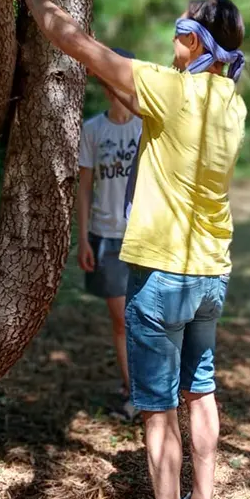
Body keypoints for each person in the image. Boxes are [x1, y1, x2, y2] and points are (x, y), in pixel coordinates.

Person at [16, 0, 246, 499]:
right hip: (210, 276)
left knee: (156, 404)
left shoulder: (170, 90)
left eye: (179, 28)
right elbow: (127, 90)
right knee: (200, 391)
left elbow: (76, 42)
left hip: (163, 276)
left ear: (193, 40)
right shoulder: (228, 103)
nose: (170, 37)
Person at [77, 48, 142, 421]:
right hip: (105, 235)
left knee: (145, 316)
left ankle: (146, 388)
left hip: (144, 236)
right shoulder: (92, 130)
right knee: (121, 319)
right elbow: (84, 186)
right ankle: (132, 390)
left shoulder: (147, 124)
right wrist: (83, 236)